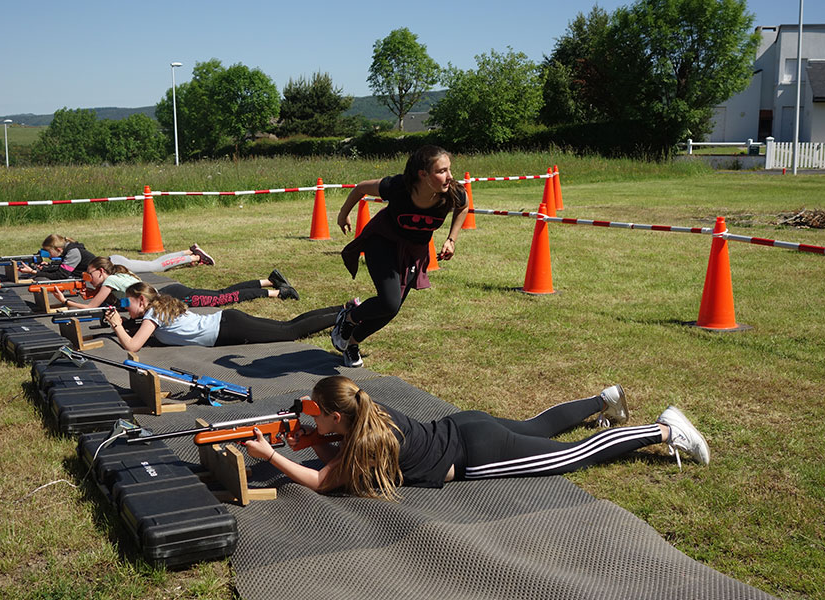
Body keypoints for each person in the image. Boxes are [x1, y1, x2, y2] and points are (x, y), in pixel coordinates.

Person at [244, 376, 710, 501]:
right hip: (466, 425)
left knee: (573, 456)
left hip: (478, 454)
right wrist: (315, 442)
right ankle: (601, 400)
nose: (309, 415)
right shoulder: (366, 414)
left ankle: (665, 429)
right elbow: (337, 454)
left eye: (314, 412)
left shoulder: (364, 443)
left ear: (334, 417)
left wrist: (273, 455)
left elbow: (324, 481)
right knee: (536, 426)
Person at [332, 145, 470, 368]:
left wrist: (451, 239)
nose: (449, 176)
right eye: (442, 171)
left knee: (391, 309)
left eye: (449, 169)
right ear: (422, 174)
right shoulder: (397, 186)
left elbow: (464, 207)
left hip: (414, 251)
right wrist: (343, 214)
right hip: (382, 241)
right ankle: (348, 317)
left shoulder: (453, 192)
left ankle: (352, 342)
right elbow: (360, 188)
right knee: (389, 300)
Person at [102, 282, 357, 353]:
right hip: (226, 321)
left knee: (290, 332)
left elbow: (133, 346)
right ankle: (341, 308)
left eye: (128, 302)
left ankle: (342, 315)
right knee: (286, 326)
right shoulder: (159, 307)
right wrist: (124, 323)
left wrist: (117, 327)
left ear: (143, 301)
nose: (125, 307)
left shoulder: (153, 314)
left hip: (227, 329)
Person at [54, 256, 299, 310]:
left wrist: (65, 302)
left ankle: (278, 292)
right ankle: (269, 280)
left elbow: (93, 306)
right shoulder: (116, 278)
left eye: (90, 275)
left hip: (175, 297)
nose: (89, 279)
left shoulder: (111, 281)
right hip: (171, 293)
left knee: (223, 298)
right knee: (221, 293)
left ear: (100, 272)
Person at [19, 234, 215, 279]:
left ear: (57, 249)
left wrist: (36, 273)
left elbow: (62, 274)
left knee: (157, 266)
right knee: (155, 263)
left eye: (49, 252)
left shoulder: (73, 253)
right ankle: (189, 251)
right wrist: (39, 269)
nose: (48, 255)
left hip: (116, 264)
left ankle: (195, 258)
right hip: (113, 261)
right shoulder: (70, 251)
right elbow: (60, 269)